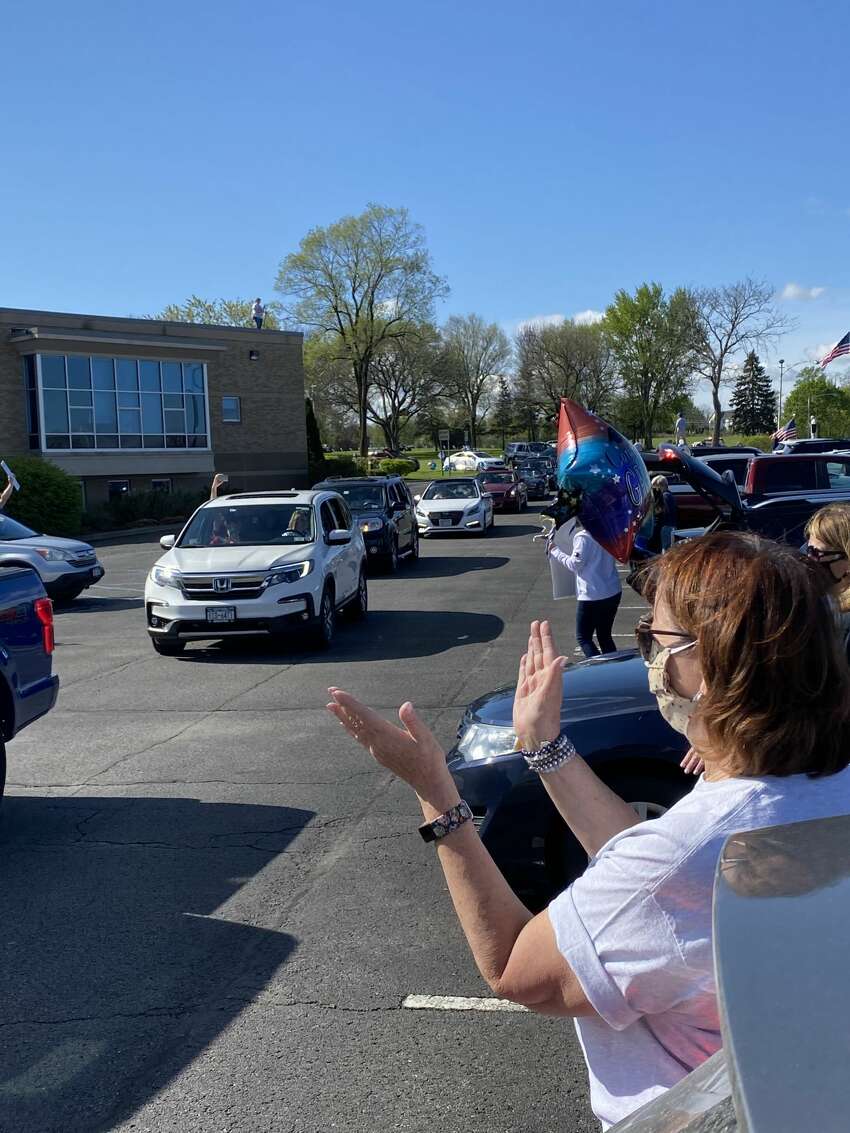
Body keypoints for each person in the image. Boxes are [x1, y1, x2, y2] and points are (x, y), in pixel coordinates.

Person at [326, 531, 850, 1129]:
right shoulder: (809, 788)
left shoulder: (688, 853)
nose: (647, 652)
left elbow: (517, 971)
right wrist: (544, 746)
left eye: (655, 636)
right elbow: (649, 875)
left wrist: (435, 793)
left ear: (712, 664)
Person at [546, 518, 621, 658]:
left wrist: (554, 550)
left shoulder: (583, 537)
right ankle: (612, 668)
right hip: (612, 590)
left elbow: (575, 565)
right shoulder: (608, 532)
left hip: (593, 595)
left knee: (584, 637)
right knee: (604, 635)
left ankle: (598, 670)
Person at [804, 503, 850, 658]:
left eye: (817, 553)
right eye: (808, 550)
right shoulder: (816, 600)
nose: (809, 559)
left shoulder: (844, 623)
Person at [650, 474, 677, 552]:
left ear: (659, 485)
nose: (654, 490)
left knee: (666, 550)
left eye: (655, 487)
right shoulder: (670, 495)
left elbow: (663, 512)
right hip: (671, 525)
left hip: (666, 526)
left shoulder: (665, 496)